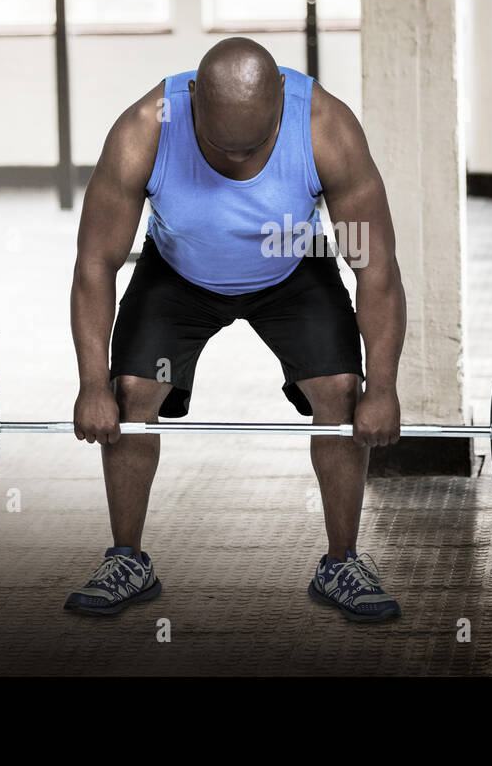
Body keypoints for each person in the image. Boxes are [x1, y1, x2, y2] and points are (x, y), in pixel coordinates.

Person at [69, 37, 407, 622]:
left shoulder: (326, 126)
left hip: (292, 269)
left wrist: (385, 387)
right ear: (193, 102)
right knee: (131, 394)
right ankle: (127, 557)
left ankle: (343, 562)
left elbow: (375, 270)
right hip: (178, 272)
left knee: (338, 390)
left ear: (282, 102)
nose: (237, 164)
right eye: (221, 149)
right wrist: (91, 384)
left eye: (253, 149)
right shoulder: (144, 129)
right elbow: (95, 264)